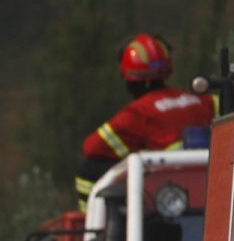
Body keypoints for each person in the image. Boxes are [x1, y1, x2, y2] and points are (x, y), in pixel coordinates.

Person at [76, 34, 215, 208]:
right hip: (209, 183)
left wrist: (132, 148)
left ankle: (93, 226)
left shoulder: (137, 113)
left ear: (128, 78)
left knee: (89, 170)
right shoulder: (201, 101)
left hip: (165, 192)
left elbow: (92, 147)